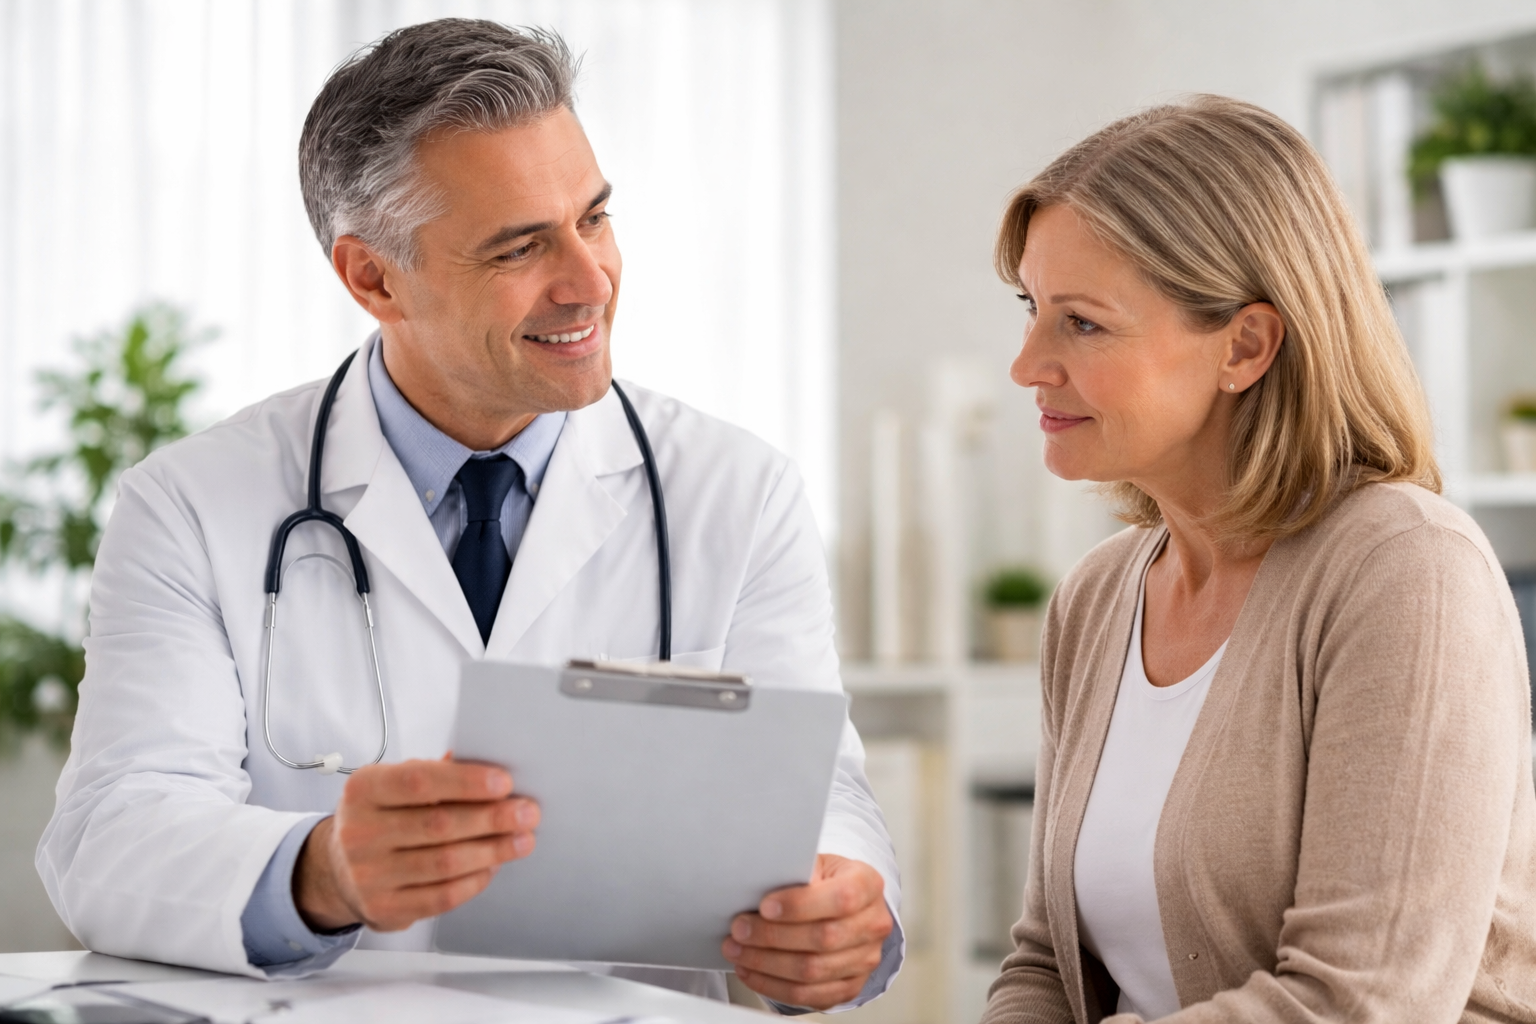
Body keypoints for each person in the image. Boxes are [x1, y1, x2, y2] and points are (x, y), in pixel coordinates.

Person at [37, 19, 900, 1013]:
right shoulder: (191, 504)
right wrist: (322, 871)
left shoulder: (737, 491)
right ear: (373, 277)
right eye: (520, 247)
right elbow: (110, 834)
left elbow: (822, 798)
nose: (589, 281)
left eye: (594, 218)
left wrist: (842, 914)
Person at [983, 95, 1536, 1022]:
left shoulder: (1408, 570)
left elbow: (1361, 1003)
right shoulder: (1095, 598)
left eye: (1081, 323)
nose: (1026, 364)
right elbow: (1046, 961)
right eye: (1031, 309)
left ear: (1245, 345)